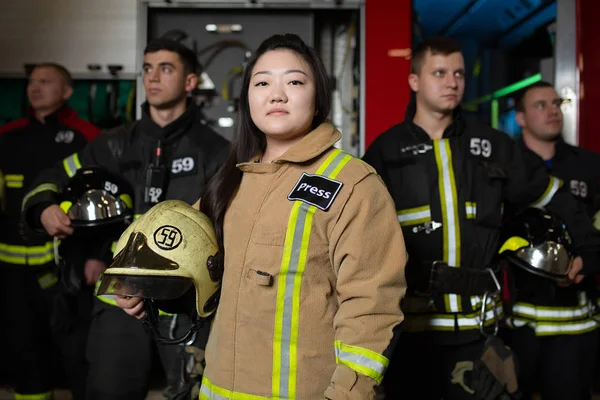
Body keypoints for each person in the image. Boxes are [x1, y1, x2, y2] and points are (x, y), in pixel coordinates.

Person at [117, 33, 408, 399]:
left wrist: (349, 393)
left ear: (318, 99)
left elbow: (372, 309)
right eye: (263, 82)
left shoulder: (352, 184)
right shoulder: (229, 181)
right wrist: (140, 287)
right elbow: (182, 261)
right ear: (248, 101)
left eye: (295, 81)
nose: (277, 94)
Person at [362, 36, 600, 400]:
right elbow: (362, 239)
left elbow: (553, 195)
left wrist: (588, 248)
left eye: (458, 73)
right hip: (411, 331)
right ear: (414, 81)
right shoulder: (385, 151)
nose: (452, 82)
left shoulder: (491, 144)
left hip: (481, 330)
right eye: (439, 73)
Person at [21, 37, 229, 400]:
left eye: (166, 68)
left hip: (186, 305)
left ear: (191, 82)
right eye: (148, 68)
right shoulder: (111, 144)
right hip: (120, 300)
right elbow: (52, 178)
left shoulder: (216, 151)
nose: (152, 77)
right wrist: (44, 207)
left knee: (194, 394)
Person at [0, 62, 100, 400]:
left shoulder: (87, 137)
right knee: (23, 350)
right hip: (13, 269)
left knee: (77, 353)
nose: (35, 87)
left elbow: (102, 203)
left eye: (45, 81)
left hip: (68, 266)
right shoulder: (8, 135)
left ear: (67, 91)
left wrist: (96, 257)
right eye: (31, 82)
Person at [501, 81, 600, 400]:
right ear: (520, 118)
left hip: (576, 325)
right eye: (540, 105)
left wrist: (591, 258)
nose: (553, 111)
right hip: (517, 322)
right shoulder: (505, 167)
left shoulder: (589, 166)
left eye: (556, 103)